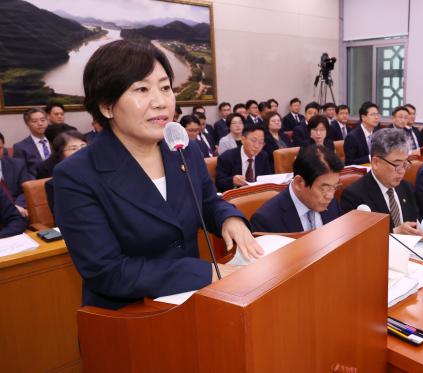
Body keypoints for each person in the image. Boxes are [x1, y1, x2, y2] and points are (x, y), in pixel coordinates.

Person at [54, 39, 262, 310]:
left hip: (192, 305)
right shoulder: (75, 175)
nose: (161, 102)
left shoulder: (183, 150)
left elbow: (208, 203)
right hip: (129, 319)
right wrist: (206, 273)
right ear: (106, 106)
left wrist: (228, 218)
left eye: (165, 88)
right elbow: (106, 270)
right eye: (141, 89)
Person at [341, 128, 423, 238]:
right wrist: (394, 232)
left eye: (405, 163)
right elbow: (357, 239)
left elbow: (415, 222)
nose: (402, 171)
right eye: (397, 164)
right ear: (376, 163)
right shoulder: (354, 195)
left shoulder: (406, 187)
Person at [251, 145, 343, 232]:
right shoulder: (266, 220)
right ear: (299, 183)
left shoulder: (332, 203)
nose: (330, 196)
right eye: (324, 189)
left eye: (335, 186)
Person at [215, 124, 272, 192]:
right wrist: (233, 181)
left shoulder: (263, 156)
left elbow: (267, 178)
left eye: (261, 142)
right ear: (243, 140)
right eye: (254, 140)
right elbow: (219, 183)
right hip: (236, 197)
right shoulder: (227, 157)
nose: (257, 146)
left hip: (257, 195)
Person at [43, 131, 87, 217]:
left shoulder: (102, 174)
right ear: (61, 154)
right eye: (73, 148)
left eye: (83, 146)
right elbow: (63, 216)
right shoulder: (55, 184)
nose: (81, 151)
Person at [0, 132, 32, 217]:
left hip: (20, 211)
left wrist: (17, 205)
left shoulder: (17, 164)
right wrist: (11, 209)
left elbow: (26, 190)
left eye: (0, 148)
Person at [13, 108, 50, 176]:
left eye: (43, 120)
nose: (40, 123)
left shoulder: (55, 140)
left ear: (47, 121)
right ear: (27, 124)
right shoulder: (20, 147)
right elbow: (21, 173)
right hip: (36, 183)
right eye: (34, 121)